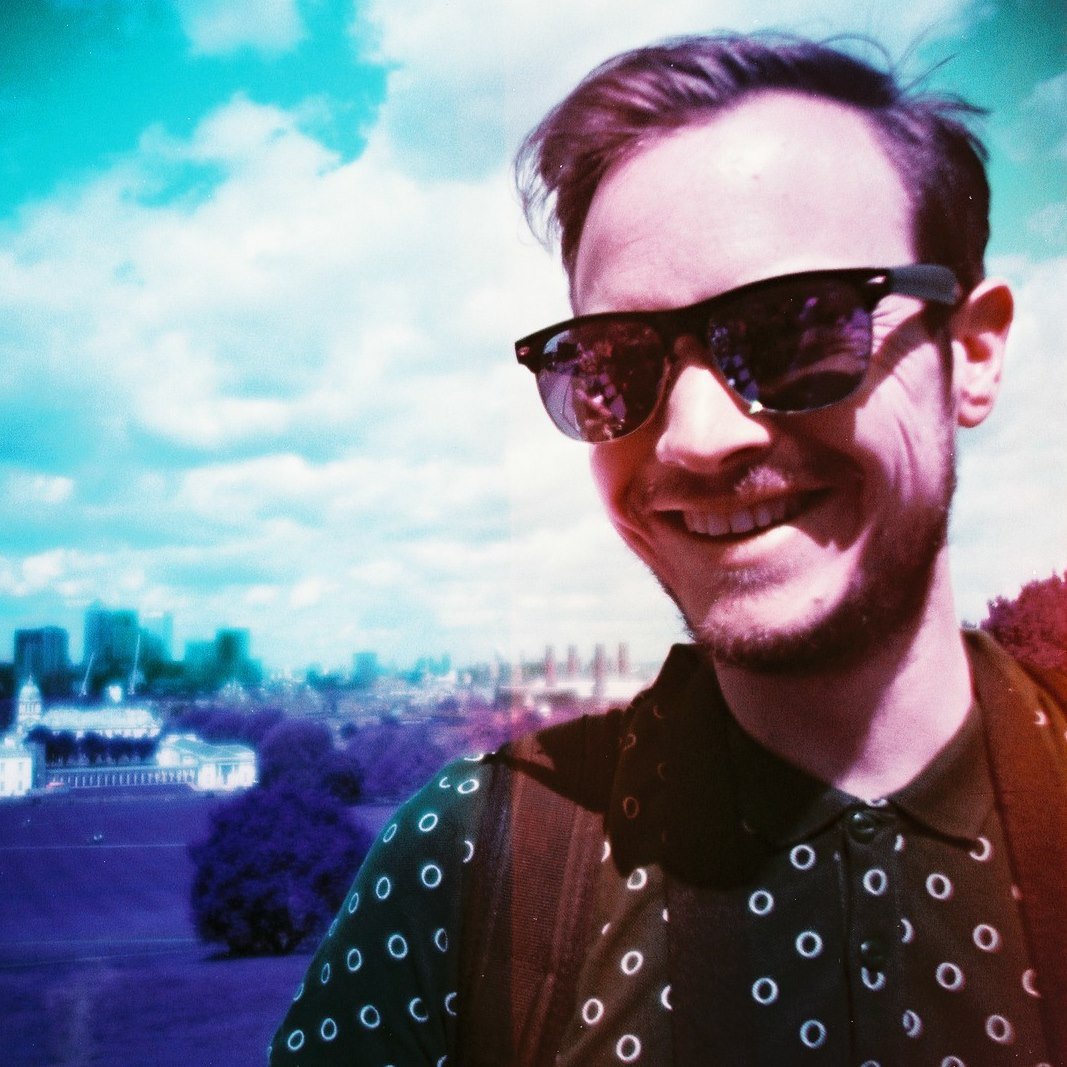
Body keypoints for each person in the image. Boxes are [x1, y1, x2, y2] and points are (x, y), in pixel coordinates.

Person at [271, 34, 1067, 1066]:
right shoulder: (470, 867)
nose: (694, 437)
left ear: (972, 351)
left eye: (796, 329)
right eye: (614, 364)